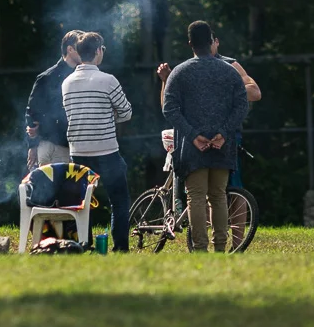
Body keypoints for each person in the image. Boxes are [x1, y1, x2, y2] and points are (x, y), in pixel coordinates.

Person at [162, 20, 250, 253]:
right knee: (218, 196)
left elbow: (169, 109)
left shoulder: (180, 72)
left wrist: (193, 135)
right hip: (223, 145)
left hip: (192, 148)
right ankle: (220, 249)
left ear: (190, 43)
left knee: (196, 197)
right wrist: (223, 133)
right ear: (212, 42)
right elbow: (242, 106)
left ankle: (200, 250)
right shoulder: (229, 71)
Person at [60, 31, 133, 252]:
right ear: (99, 51)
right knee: (119, 201)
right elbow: (126, 112)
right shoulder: (108, 80)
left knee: (82, 203)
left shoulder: (66, 83)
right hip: (106, 150)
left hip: (78, 152)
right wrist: (109, 115)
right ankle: (120, 247)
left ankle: (85, 244)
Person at [157, 33, 260, 188]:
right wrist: (166, 80)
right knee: (200, 192)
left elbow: (255, 92)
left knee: (233, 188)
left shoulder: (230, 65)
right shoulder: (188, 68)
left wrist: (220, 90)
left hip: (225, 135)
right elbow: (167, 107)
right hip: (195, 138)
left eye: (209, 40)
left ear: (216, 42)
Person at [25, 30, 83, 169]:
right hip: (55, 147)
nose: (85, 50)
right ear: (70, 49)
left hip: (77, 148)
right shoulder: (46, 78)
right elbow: (32, 112)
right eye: (81, 47)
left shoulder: (85, 76)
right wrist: (33, 145)